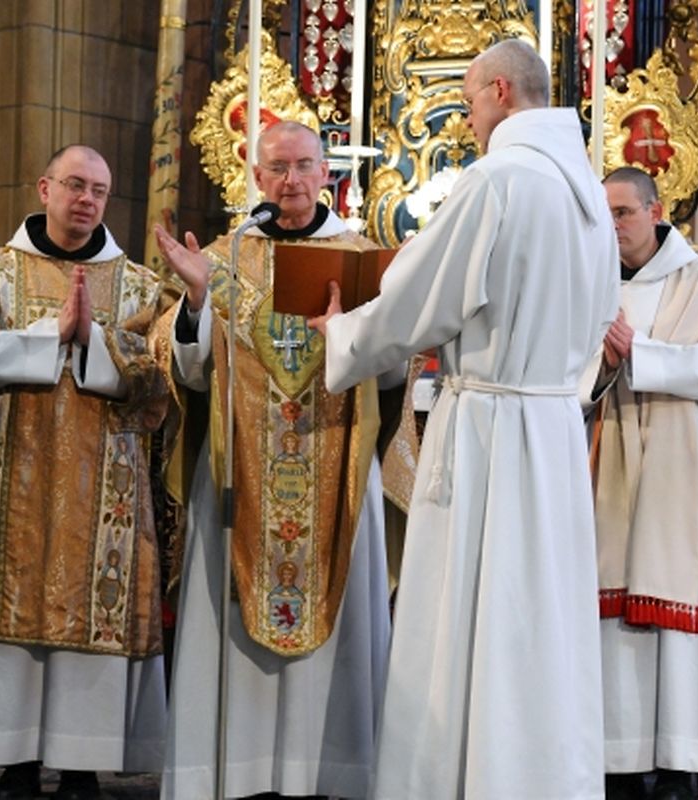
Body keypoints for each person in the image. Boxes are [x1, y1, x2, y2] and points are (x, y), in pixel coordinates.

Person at [308, 38, 620, 800]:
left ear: (501, 92)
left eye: (473, 102)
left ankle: (462, 780)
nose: (469, 121)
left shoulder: (499, 181)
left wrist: (345, 334)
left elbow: (420, 298)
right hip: (550, 428)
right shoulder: (589, 199)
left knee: (467, 615)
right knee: (536, 616)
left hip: (489, 427)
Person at [153, 120, 402, 800]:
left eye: (304, 165)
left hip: (337, 468)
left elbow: (389, 376)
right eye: (277, 168)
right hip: (242, 477)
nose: (291, 180)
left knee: (343, 626)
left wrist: (357, 332)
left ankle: (332, 773)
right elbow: (191, 375)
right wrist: (199, 299)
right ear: (256, 178)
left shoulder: (362, 261)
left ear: (327, 173)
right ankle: (235, 774)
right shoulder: (229, 259)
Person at [0, 144, 169, 800]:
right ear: (44, 188)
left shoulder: (139, 285)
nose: (87, 199)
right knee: (9, 612)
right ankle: (14, 765)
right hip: (4, 486)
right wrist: (47, 335)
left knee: (91, 613)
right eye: (75, 185)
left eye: (100, 190)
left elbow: (155, 385)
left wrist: (93, 343)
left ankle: (81, 768)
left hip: (102, 486)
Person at [585, 167, 698, 800]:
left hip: (685, 453)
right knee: (609, 611)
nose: (612, 225)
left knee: (689, 597)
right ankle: (619, 753)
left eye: (623, 212)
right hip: (608, 449)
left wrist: (642, 353)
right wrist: (604, 364)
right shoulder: (590, 281)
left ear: (657, 211)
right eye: (602, 213)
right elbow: (566, 373)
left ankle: (689, 753)